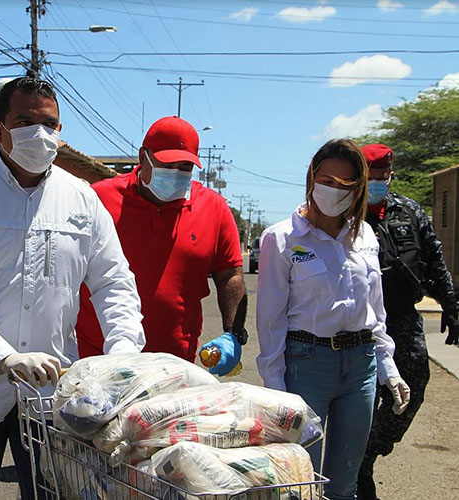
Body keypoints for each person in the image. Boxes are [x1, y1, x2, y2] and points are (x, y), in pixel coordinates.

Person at [0, 76, 145, 500]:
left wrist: (122, 360)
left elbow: (114, 282)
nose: (40, 134)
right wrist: (3, 356)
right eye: (25, 121)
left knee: (52, 494)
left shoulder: (81, 197)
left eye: (50, 124)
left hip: (51, 395)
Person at [255, 139, 410, 500]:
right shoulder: (281, 238)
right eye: (327, 180)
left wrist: (389, 368)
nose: (333, 190)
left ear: (358, 189)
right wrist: (276, 388)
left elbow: (376, 311)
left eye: (345, 185)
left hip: (361, 368)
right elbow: (270, 321)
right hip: (307, 366)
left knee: (344, 484)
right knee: (299, 481)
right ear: (311, 177)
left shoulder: (365, 235)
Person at [76, 116, 247, 375]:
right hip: (99, 360)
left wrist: (232, 334)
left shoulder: (214, 208)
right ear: (143, 157)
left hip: (176, 366)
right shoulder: (99, 199)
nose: (177, 174)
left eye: (186, 167)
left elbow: (229, 276)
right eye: (168, 164)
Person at [357, 143, 459, 500]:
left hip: (402, 317)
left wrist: (451, 305)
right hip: (359, 322)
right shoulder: (344, 212)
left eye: (382, 177)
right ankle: (356, 469)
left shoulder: (409, 210)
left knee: (413, 383)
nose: (377, 183)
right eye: (371, 177)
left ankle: (367, 454)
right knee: (364, 396)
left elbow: (432, 258)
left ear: (391, 175)